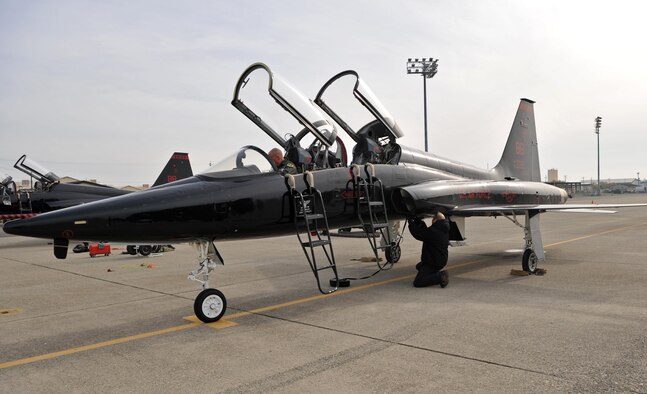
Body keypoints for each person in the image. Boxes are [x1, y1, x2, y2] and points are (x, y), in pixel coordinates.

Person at [407, 212, 450, 288]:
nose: (432, 220)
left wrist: (411, 223)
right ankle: (434, 273)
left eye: (433, 219)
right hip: (439, 260)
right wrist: (418, 221)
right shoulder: (442, 228)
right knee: (419, 266)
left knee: (418, 282)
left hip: (433, 262)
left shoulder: (434, 231)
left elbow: (419, 234)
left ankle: (440, 277)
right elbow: (426, 232)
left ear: (436, 220)